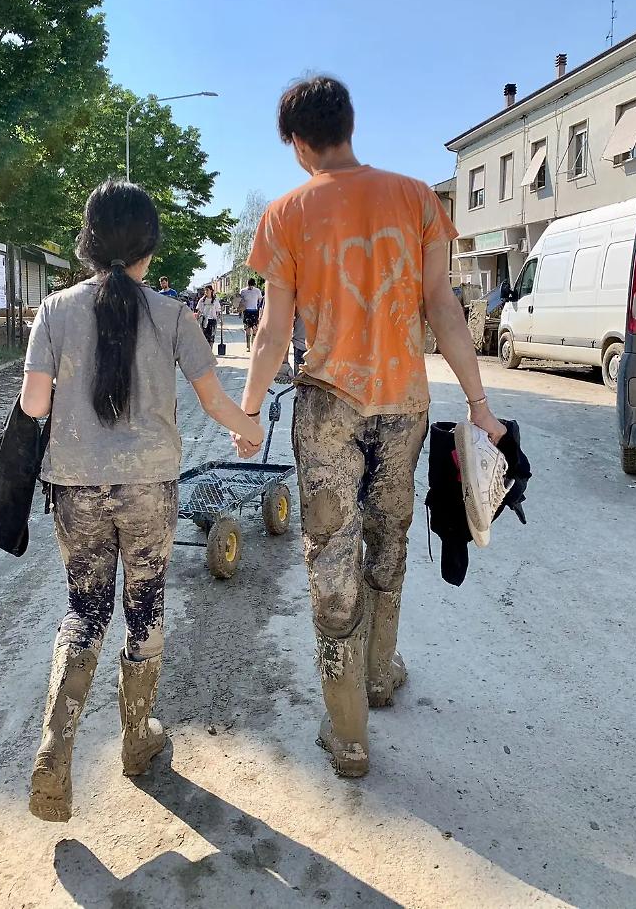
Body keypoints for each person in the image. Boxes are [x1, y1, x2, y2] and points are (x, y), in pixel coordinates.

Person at [232, 76, 505, 778]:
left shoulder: (286, 213)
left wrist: (246, 409)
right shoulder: (416, 198)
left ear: (296, 143)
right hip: (402, 403)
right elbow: (443, 308)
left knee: (329, 553)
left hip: (326, 404)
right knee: (389, 533)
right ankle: (379, 673)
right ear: (350, 125)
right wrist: (478, 404)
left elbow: (272, 329)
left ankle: (346, 728)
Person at [21, 180, 264, 823]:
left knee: (83, 610)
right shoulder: (177, 316)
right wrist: (249, 428)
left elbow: (34, 406)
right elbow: (215, 400)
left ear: (89, 241)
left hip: (74, 484)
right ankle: (137, 738)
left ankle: (55, 747)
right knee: (145, 604)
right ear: (148, 247)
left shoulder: (52, 311)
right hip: (149, 485)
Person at [239, 278, 263, 352]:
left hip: (255, 311)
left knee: (255, 329)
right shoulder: (243, 291)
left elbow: (260, 300)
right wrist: (240, 310)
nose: (250, 287)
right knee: (247, 329)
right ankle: (248, 346)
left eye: (252, 285)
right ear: (247, 284)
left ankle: (254, 345)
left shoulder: (257, 291)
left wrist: (260, 310)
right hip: (246, 311)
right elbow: (240, 301)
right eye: (249, 285)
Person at [196, 285, 221, 349]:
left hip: (212, 320)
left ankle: (210, 351)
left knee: (211, 337)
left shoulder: (215, 300)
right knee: (205, 337)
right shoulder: (202, 300)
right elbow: (199, 311)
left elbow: (218, 311)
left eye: (207, 290)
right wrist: (196, 320)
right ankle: (206, 351)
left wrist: (220, 320)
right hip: (204, 320)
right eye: (205, 290)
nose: (206, 291)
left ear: (211, 291)